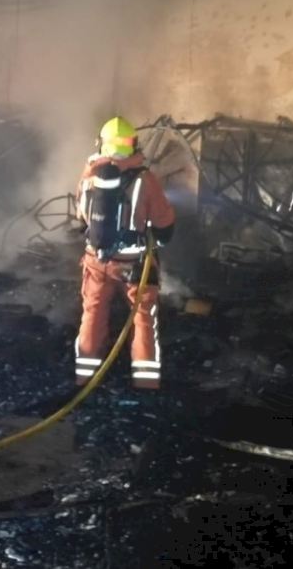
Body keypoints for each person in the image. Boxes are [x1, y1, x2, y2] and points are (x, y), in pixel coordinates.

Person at [74, 116, 175, 390]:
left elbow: (81, 215)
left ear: (101, 143)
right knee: (143, 319)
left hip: (96, 260)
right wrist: (157, 239)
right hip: (135, 264)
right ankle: (145, 384)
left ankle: (85, 378)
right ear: (133, 144)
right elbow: (164, 223)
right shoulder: (144, 179)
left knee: (93, 314)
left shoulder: (89, 174)